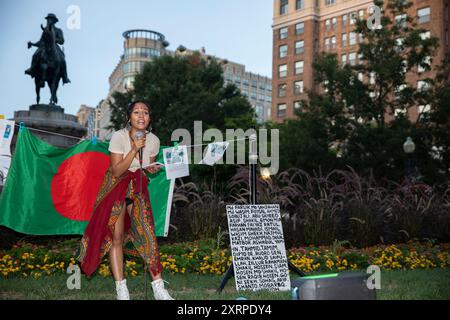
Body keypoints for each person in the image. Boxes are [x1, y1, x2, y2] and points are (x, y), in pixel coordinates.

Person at [76, 101, 174, 300]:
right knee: (116, 237)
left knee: (147, 233)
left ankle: (158, 288)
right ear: (129, 117)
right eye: (137, 112)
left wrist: (151, 168)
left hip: (137, 187)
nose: (141, 116)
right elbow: (117, 170)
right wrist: (134, 148)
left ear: (149, 118)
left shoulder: (153, 140)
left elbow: (144, 166)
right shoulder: (119, 136)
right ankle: (121, 288)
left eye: (145, 112)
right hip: (116, 187)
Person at [25, 13, 70, 85]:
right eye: (48, 19)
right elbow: (41, 41)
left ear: (54, 21)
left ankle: (65, 76)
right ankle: (31, 69)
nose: (49, 21)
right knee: (34, 55)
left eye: (50, 19)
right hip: (44, 47)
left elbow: (62, 41)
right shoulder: (45, 30)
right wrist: (32, 44)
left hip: (54, 46)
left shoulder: (58, 30)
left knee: (63, 59)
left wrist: (54, 39)